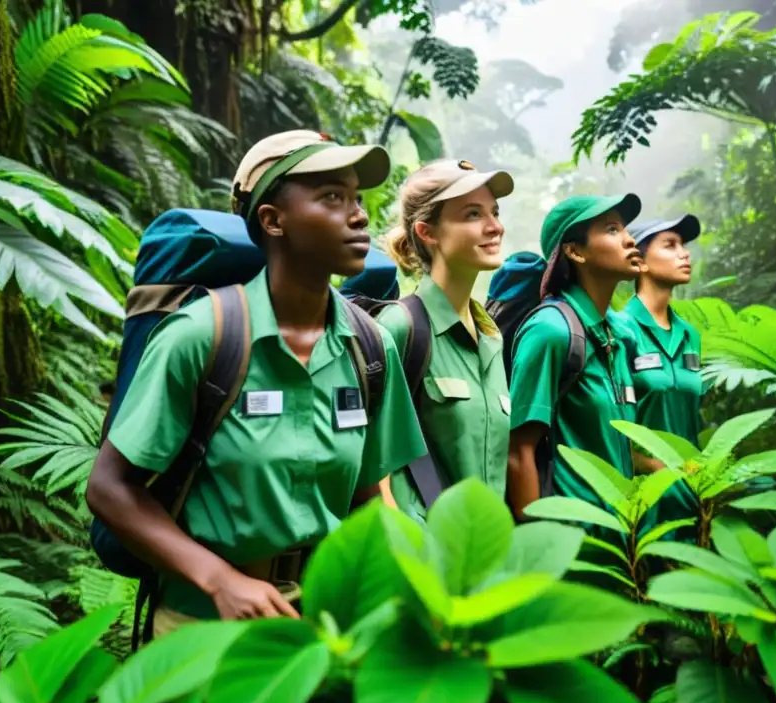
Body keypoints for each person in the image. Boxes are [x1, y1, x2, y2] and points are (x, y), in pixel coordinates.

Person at [86, 130, 426, 632]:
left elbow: (367, 497)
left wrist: (420, 580)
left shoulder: (369, 346)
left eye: (357, 198)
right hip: (204, 622)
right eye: (331, 197)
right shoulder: (202, 338)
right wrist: (219, 580)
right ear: (273, 220)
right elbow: (110, 489)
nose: (358, 215)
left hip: (328, 621)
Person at [377, 159, 515, 519]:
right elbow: (374, 467)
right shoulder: (401, 328)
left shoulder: (490, 337)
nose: (495, 226)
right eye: (473, 214)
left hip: (483, 560)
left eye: (494, 212)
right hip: (424, 558)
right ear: (427, 232)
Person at [506, 194, 643, 522]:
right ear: (575, 251)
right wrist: (539, 550)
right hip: (572, 542)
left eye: (625, 228)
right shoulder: (550, 331)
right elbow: (518, 452)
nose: (630, 239)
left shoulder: (617, 337)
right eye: (611, 229)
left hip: (622, 542)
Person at [623, 214, 704, 539]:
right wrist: (656, 467)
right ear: (640, 262)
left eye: (683, 246)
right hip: (643, 500)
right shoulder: (619, 329)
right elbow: (608, 424)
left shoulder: (691, 336)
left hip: (692, 493)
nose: (684, 253)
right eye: (670, 245)